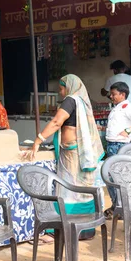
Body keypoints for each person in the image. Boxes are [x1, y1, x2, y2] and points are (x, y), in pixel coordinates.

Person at [28, 74, 104, 241]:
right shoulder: (82, 101)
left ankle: (65, 228)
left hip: (72, 155)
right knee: (82, 190)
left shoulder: (71, 100)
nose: (61, 93)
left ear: (69, 87)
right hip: (80, 152)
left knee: (69, 190)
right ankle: (85, 230)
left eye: (62, 88)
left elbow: (57, 122)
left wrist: (38, 140)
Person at [104, 82, 131, 211]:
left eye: (114, 94)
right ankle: (118, 205)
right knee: (112, 176)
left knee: (114, 176)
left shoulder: (129, 107)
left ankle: (119, 206)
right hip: (112, 145)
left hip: (119, 146)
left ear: (122, 94)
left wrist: (128, 130)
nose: (111, 96)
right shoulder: (117, 107)